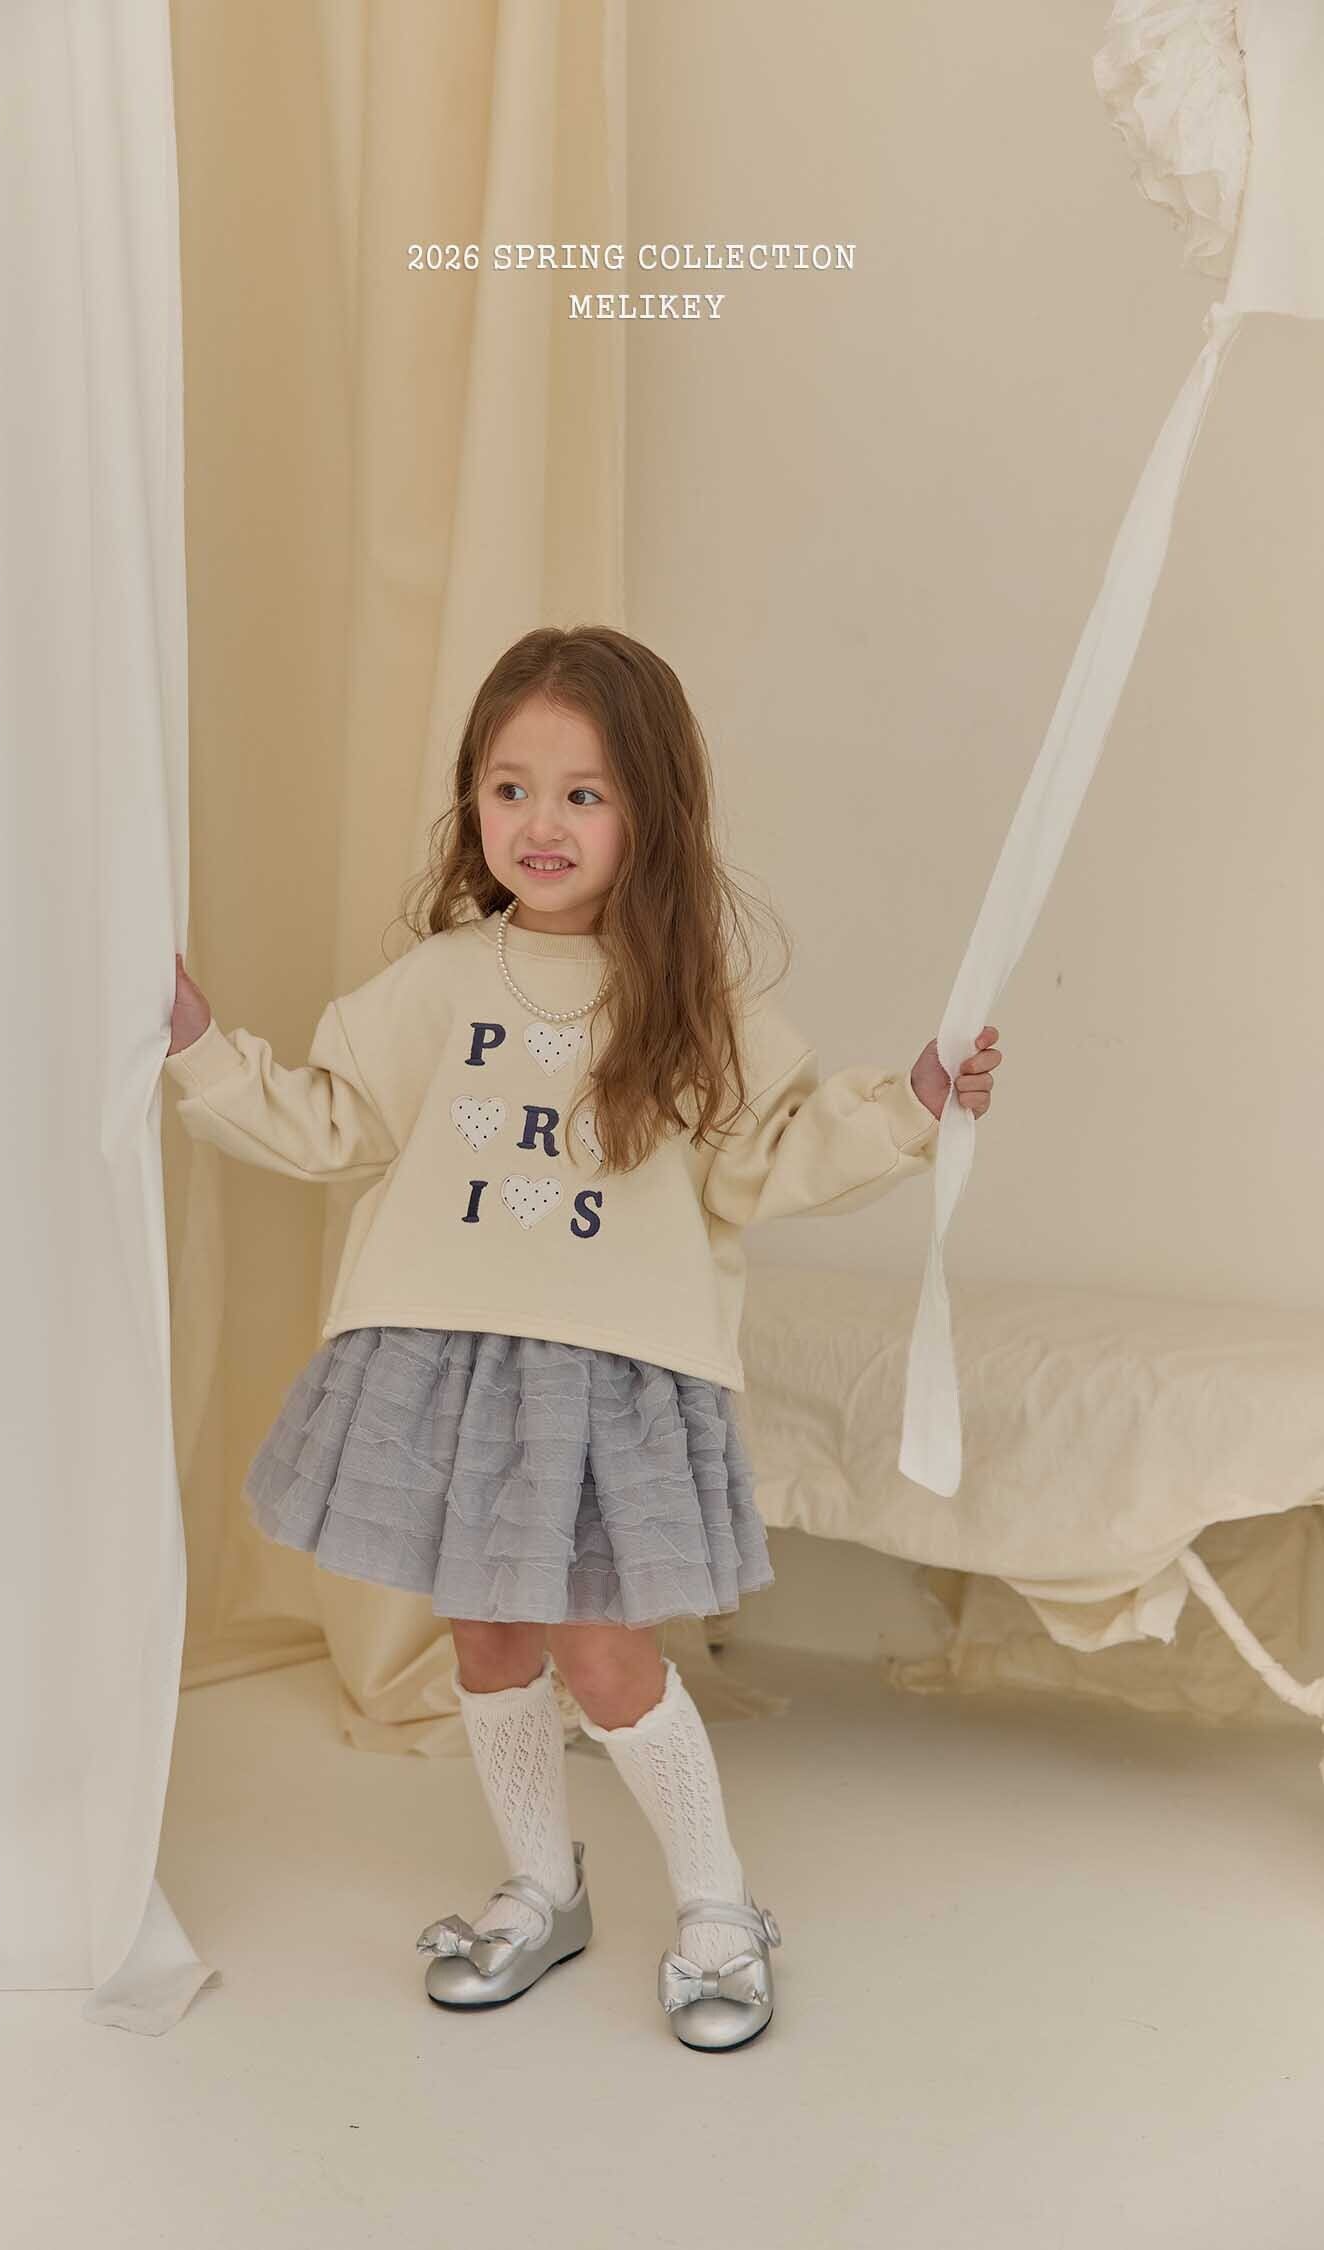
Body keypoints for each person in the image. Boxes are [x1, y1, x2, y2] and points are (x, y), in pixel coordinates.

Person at [163, 623, 1003, 2052]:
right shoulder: (439, 983)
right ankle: (543, 1886)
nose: (539, 823)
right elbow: (331, 1124)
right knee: (487, 1638)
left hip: (610, 1369)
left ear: (648, 811)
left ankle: (719, 1905)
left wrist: (917, 1101)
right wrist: (193, 1041)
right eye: (509, 788)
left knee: (606, 1654)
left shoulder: (690, 1001)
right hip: (452, 1354)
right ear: (473, 801)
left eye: (582, 793)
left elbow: (770, 1160)